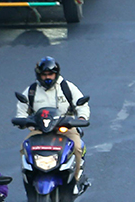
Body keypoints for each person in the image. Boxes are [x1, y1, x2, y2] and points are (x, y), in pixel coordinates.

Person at [16, 56, 90, 185]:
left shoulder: (67, 87)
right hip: (39, 129)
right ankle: (30, 179)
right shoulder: (32, 90)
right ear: (39, 75)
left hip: (65, 127)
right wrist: (23, 121)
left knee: (77, 147)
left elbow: (81, 105)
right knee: (24, 147)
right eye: (44, 75)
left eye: (50, 74)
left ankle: (76, 178)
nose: (47, 77)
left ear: (56, 74)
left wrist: (82, 118)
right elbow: (22, 110)